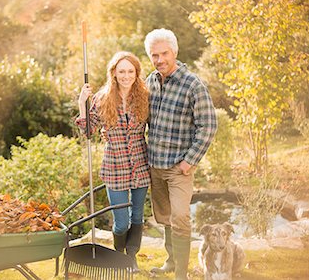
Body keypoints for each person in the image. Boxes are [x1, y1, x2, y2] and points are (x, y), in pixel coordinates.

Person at [144, 28, 217, 280]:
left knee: (181, 217)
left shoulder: (192, 84)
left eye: (164, 53)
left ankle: (182, 274)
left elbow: (208, 125)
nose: (160, 59)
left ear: (175, 52)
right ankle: (171, 262)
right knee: (164, 217)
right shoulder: (150, 81)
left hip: (178, 167)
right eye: (154, 55)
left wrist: (190, 160)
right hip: (155, 165)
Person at [75, 51, 151, 272]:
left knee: (137, 216)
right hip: (115, 166)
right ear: (114, 74)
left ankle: (132, 258)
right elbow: (88, 130)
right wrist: (82, 102)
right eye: (121, 71)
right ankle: (120, 258)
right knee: (121, 222)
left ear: (136, 73)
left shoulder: (144, 97)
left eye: (130, 71)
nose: (126, 76)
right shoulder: (102, 98)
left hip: (139, 164)